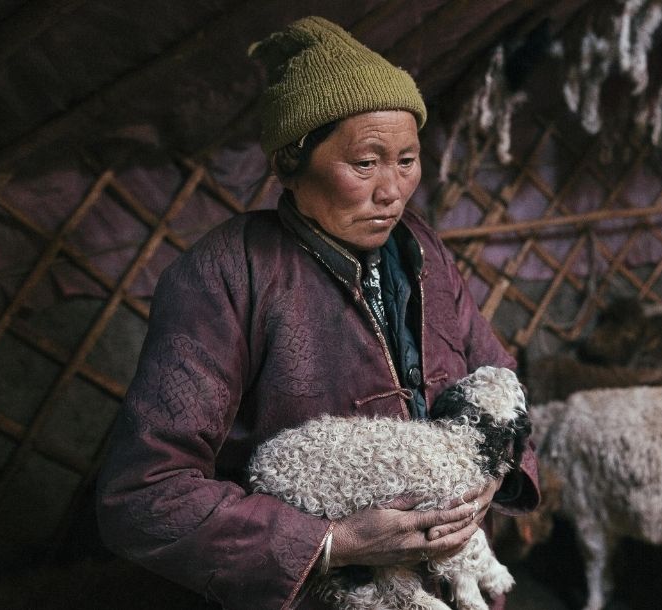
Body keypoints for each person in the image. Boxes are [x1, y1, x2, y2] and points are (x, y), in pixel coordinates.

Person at [96, 15, 539, 610]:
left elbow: (498, 380)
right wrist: (335, 543)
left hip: (452, 585)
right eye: (364, 164)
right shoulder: (226, 275)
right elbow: (144, 495)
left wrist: (489, 476)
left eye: (406, 160)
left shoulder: (423, 250)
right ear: (288, 164)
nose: (392, 191)